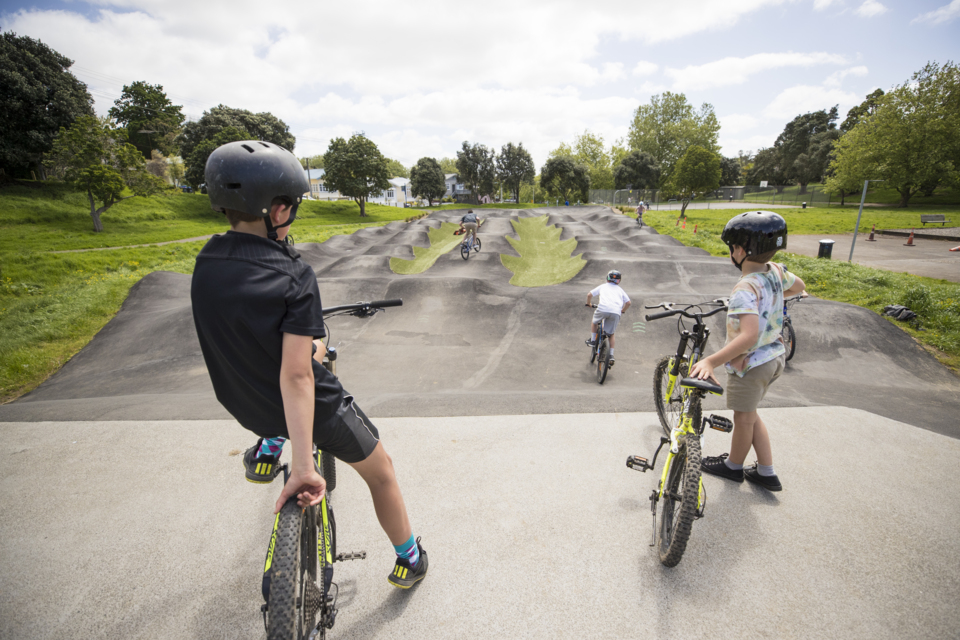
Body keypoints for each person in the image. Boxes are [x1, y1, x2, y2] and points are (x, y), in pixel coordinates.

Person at [191, 140, 427, 589]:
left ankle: (266, 448)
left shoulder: (206, 264)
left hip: (247, 405)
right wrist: (303, 465)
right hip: (312, 408)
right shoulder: (293, 276)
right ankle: (409, 559)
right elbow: (297, 374)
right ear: (276, 209)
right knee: (382, 472)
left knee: (298, 362)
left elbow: (256, 344)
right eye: (292, 205)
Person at [688, 211, 806, 492]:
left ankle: (734, 466)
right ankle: (766, 472)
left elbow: (749, 336)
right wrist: (771, 298)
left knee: (743, 418)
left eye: (731, 248)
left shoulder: (744, 288)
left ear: (740, 250)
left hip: (751, 364)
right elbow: (800, 287)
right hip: (775, 357)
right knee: (750, 414)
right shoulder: (776, 271)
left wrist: (711, 361)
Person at [585, 270, 631, 366]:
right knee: (611, 334)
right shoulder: (620, 290)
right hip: (615, 312)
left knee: (594, 322)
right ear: (619, 280)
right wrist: (623, 310)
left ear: (607, 278)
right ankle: (611, 355)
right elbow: (628, 303)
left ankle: (593, 340)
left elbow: (589, 294)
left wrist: (589, 303)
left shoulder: (603, 286)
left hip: (602, 309)